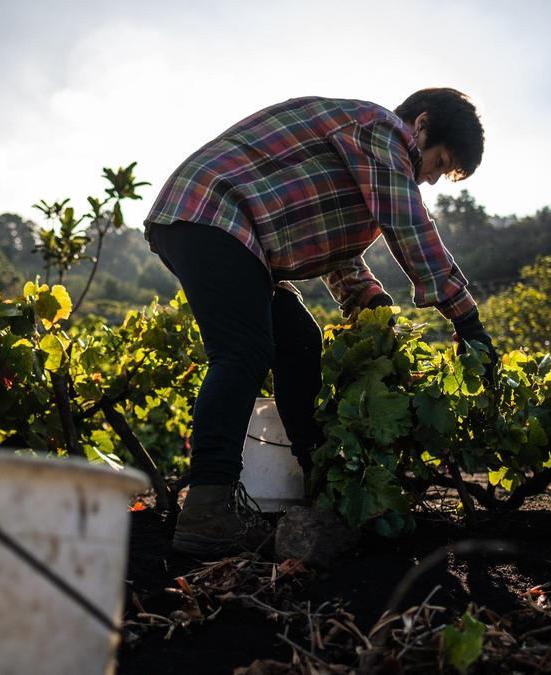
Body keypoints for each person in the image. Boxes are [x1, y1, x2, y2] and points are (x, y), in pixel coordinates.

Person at [143, 88, 497, 557]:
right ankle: (208, 508)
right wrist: (467, 319)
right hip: (213, 212)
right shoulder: (381, 131)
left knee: (299, 343)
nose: (428, 179)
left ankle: (318, 483)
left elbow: (338, 253)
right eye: (437, 163)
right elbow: (409, 225)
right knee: (243, 351)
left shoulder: (365, 159)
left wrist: (373, 309)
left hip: (226, 230)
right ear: (422, 126)